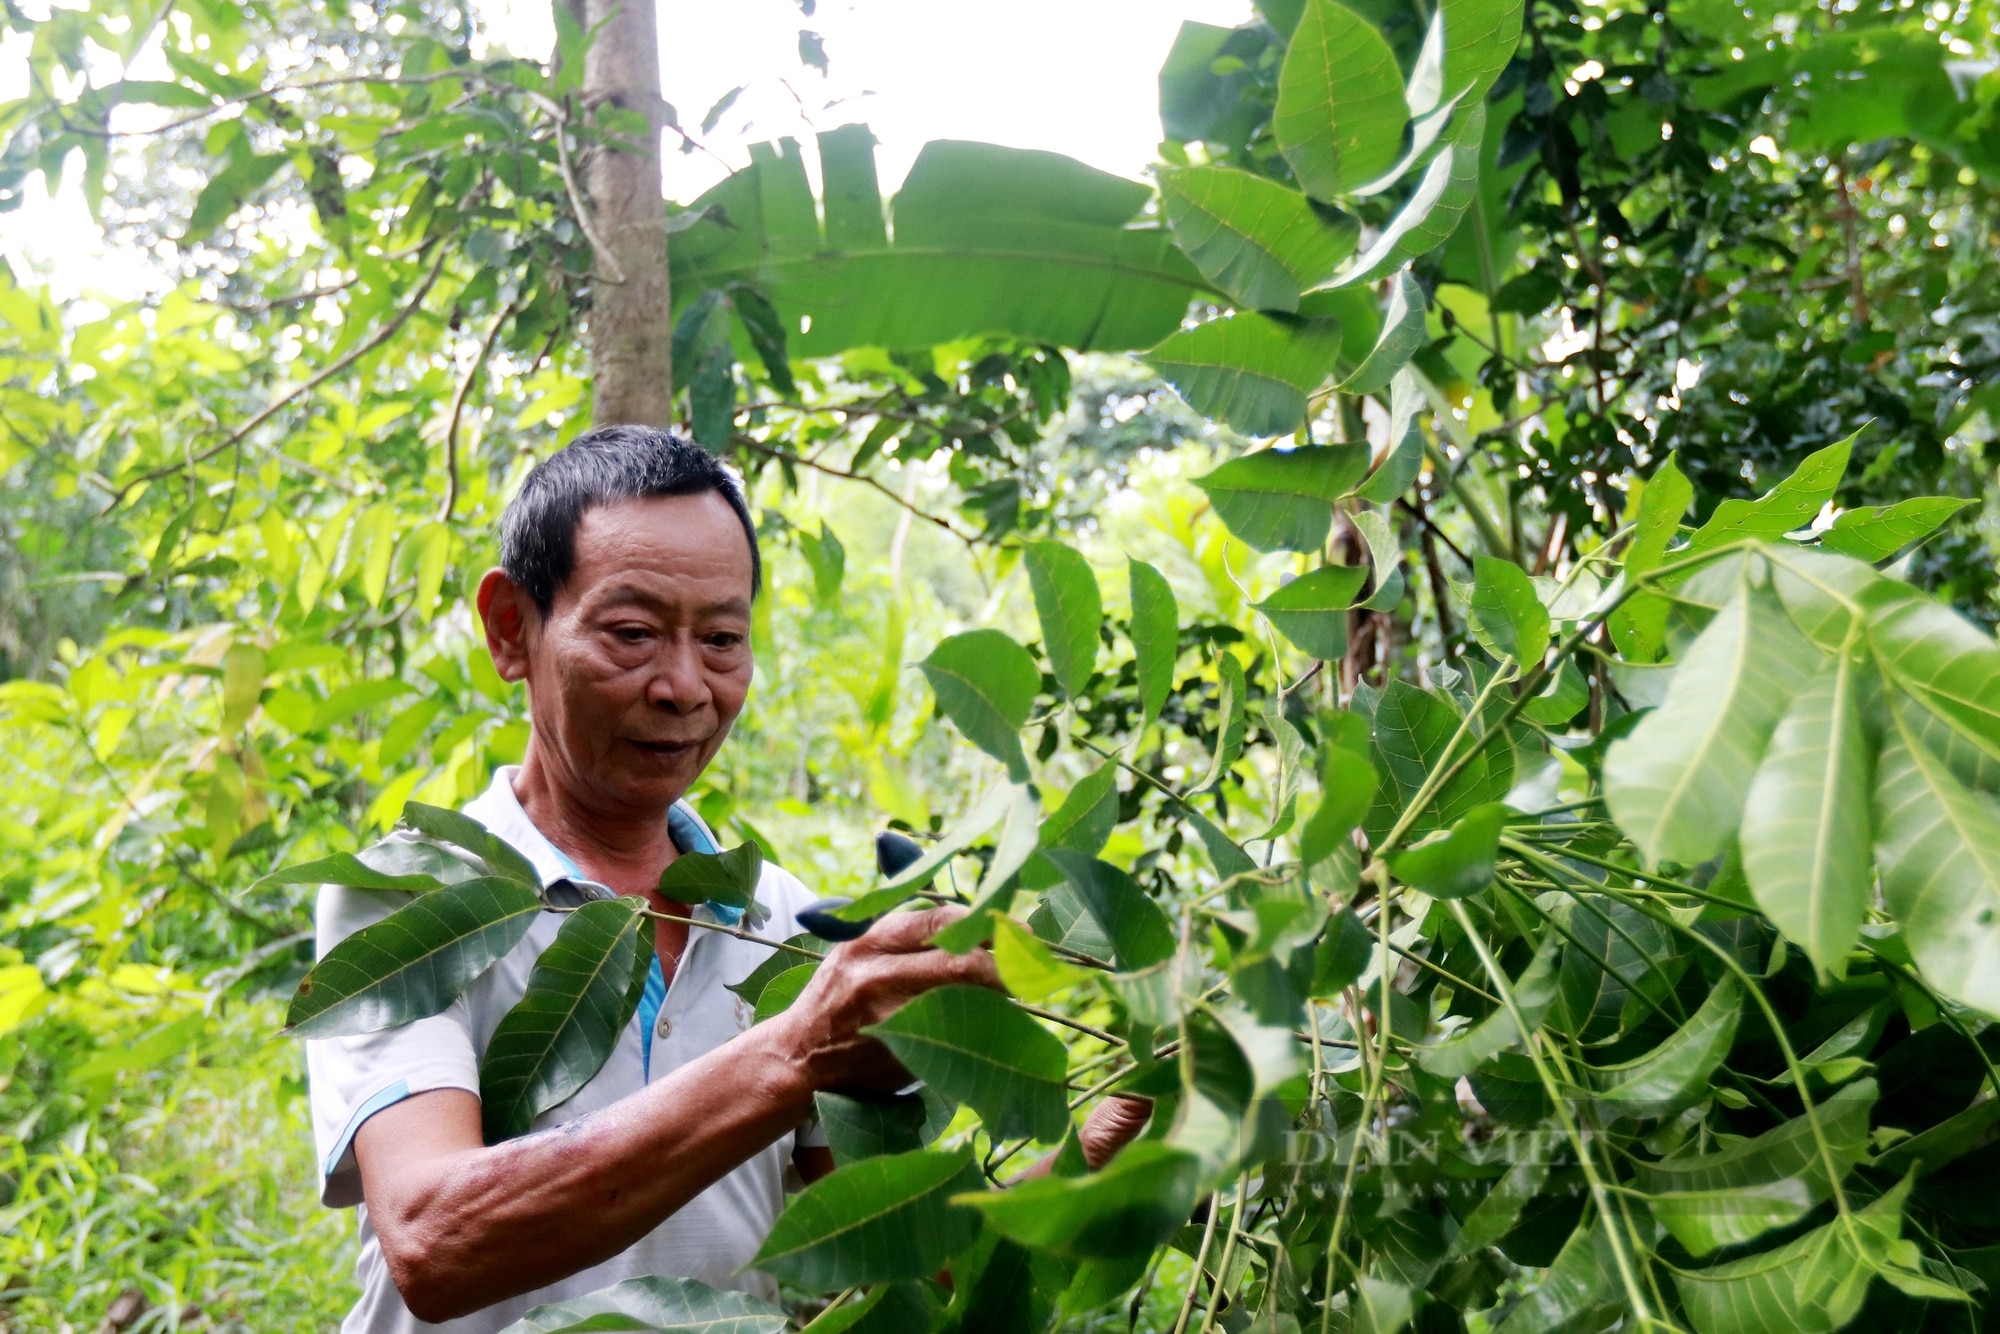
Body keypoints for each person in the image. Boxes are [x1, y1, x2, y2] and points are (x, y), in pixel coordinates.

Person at [306, 426, 1150, 1332]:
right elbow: (437, 1241)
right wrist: (798, 1051)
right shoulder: (415, 897)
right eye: (632, 633)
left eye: (721, 639)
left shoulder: (780, 923)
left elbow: (907, 1261)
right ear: (514, 629)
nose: (683, 686)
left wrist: (1110, 1143)